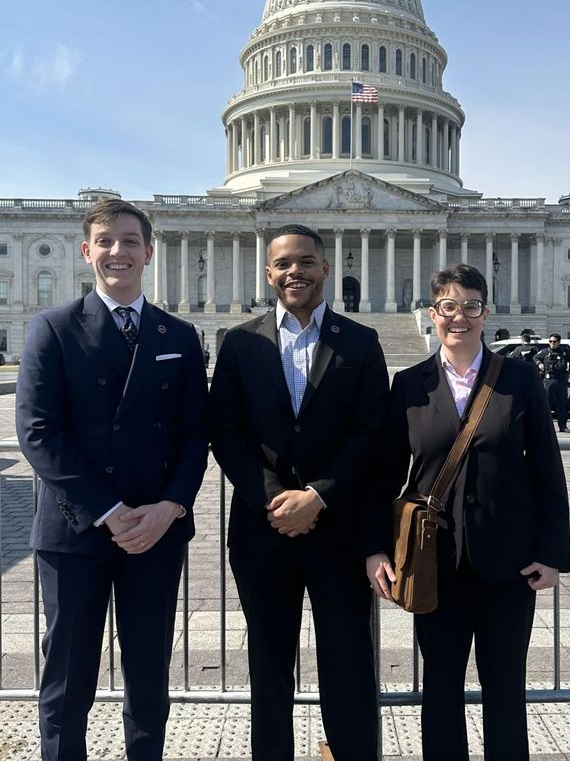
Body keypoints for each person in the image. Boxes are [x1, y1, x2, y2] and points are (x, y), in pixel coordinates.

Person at [16, 198, 209, 761]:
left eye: (129, 241)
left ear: (149, 252)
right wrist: (109, 509)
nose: (117, 252)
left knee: (149, 673)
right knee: (67, 677)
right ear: (87, 251)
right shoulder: (51, 327)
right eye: (105, 241)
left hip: (155, 531)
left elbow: (197, 434)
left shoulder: (179, 333)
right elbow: (38, 432)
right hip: (76, 531)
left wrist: (169, 506)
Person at [366, 264, 570, 761]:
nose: (460, 318)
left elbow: (547, 468)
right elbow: (385, 474)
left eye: (471, 306)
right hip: (434, 561)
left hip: (509, 562)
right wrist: (373, 550)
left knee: (506, 690)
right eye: (449, 307)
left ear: (485, 312)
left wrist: (551, 554)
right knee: (439, 690)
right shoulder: (410, 383)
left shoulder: (519, 378)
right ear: (432, 314)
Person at [209, 224, 389, 761]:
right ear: (268, 273)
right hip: (262, 533)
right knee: (268, 670)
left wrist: (318, 495)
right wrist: (275, 497)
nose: (296, 272)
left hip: (338, 531)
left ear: (325, 268)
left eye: (306, 261)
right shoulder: (238, 341)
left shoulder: (362, 342)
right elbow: (226, 430)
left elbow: (371, 433)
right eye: (284, 263)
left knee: (349, 668)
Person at [534, 334, 570, 433]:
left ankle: (563, 426)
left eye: (554, 342)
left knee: (562, 404)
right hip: (549, 380)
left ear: (559, 342)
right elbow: (535, 357)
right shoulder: (545, 351)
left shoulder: (565, 351)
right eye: (550, 341)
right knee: (546, 404)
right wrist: (539, 364)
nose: (552, 344)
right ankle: (544, 427)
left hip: (561, 381)